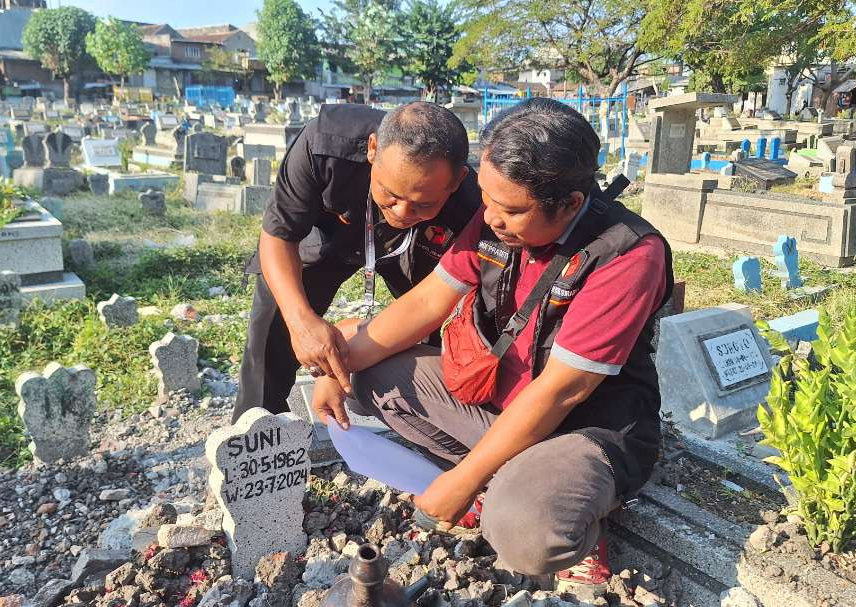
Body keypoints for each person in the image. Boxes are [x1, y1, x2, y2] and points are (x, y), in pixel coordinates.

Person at [311, 98, 673, 593]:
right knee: (368, 377)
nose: (492, 219)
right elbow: (426, 303)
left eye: (512, 210)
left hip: (583, 427)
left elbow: (562, 392)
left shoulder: (627, 255)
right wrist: (336, 370)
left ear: (570, 202)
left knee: (523, 535)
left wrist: (461, 483)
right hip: (502, 402)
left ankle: (573, 516)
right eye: (486, 199)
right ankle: (505, 477)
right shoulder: (494, 219)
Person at [232, 102, 481, 422]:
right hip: (332, 237)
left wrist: (342, 366)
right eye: (390, 193)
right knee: (276, 323)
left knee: (433, 336)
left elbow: (432, 302)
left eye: (422, 203)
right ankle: (259, 432)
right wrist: (300, 322)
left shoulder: (471, 201)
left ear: (456, 181)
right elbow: (279, 236)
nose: (402, 213)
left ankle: (422, 420)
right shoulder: (324, 143)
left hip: (418, 248)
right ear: (373, 149)